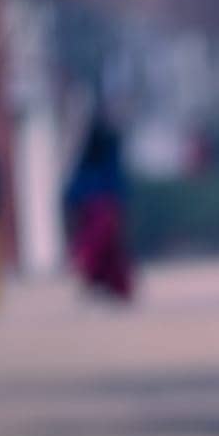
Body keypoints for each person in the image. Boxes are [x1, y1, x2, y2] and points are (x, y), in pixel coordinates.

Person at [63, 115, 133, 302]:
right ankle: (108, 286)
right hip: (104, 206)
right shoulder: (107, 153)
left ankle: (105, 285)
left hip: (96, 207)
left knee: (104, 251)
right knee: (107, 251)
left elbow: (76, 187)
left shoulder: (94, 156)